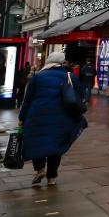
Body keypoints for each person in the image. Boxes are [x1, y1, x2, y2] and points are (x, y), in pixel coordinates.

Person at [18, 52, 86, 186]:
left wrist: (22, 117)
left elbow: (27, 99)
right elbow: (80, 96)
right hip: (61, 117)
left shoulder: (38, 76)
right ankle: (52, 177)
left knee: (37, 142)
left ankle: (39, 169)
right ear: (62, 62)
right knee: (56, 145)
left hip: (37, 115)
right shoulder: (70, 76)